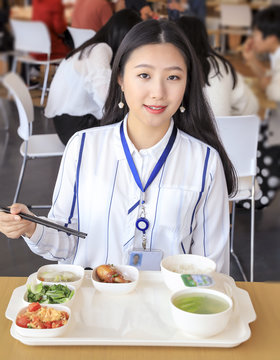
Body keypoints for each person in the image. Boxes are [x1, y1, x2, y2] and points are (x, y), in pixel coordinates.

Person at [0, 20, 236, 274]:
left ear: (187, 84)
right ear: (121, 78)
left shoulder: (205, 161)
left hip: (165, 306)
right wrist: (32, 227)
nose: (158, 92)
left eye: (173, 77)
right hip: (92, 301)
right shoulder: (82, 147)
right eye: (144, 75)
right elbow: (66, 243)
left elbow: (211, 267)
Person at [45, 9, 142, 145]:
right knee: (132, 124)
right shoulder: (100, 50)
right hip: (76, 129)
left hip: (65, 122)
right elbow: (104, 96)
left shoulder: (91, 46)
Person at [176, 16, 259, 117]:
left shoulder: (172, 67)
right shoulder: (222, 66)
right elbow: (251, 106)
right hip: (222, 131)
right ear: (205, 37)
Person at [239, 5, 280, 209]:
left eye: (256, 32)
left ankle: (252, 197)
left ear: (271, 38)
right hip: (274, 123)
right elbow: (268, 83)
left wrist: (268, 83)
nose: (253, 37)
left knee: (250, 134)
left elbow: (273, 91)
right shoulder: (276, 55)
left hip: (277, 133)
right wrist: (252, 60)